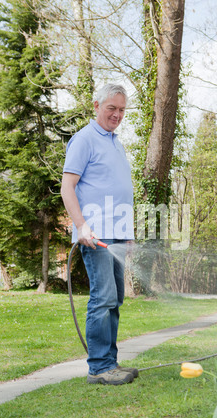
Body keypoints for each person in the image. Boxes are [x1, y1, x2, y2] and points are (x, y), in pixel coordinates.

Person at [61, 84, 137, 385]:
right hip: (95, 236)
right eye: (111, 108)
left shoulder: (116, 143)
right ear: (96, 105)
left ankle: (110, 363)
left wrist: (128, 233)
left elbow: (120, 191)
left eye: (121, 110)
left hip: (117, 234)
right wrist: (81, 226)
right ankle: (99, 368)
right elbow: (68, 187)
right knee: (102, 298)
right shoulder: (84, 140)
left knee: (114, 299)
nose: (117, 115)